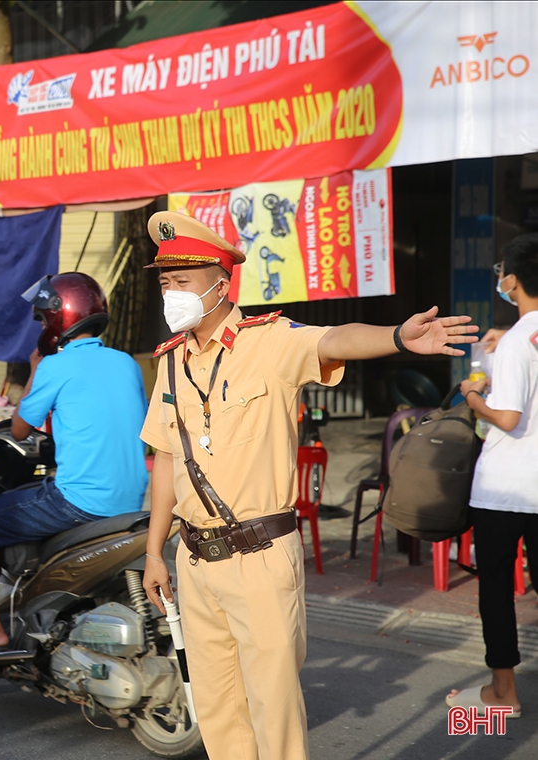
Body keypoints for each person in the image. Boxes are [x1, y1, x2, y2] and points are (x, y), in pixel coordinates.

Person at [138, 211, 477, 760]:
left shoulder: (269, 342)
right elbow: (167, 461)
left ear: (222, 283)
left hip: (260, 556)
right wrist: (156, 551)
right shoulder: (172, 364)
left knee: (274, 712)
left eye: (182, 282)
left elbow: (335, 338)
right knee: (220, 717)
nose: (170, 293)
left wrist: (397, 336)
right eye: (165, 283)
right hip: (194, 561)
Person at [0, 272, 149, 661]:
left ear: (60, 318)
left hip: (79, 501)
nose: (41, 326)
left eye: (42, 319)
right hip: (130, 501)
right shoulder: (126, 364)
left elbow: (21, 428)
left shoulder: (56, 367)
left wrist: (36, 368)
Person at [447, 233, 538, 718]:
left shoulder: (520, 340)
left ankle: (504, 690)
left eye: (504, 270)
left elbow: (506, 418)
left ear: (515, 280)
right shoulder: (521, 336)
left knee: (497, 589)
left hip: (505, 488)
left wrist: (472, 396)